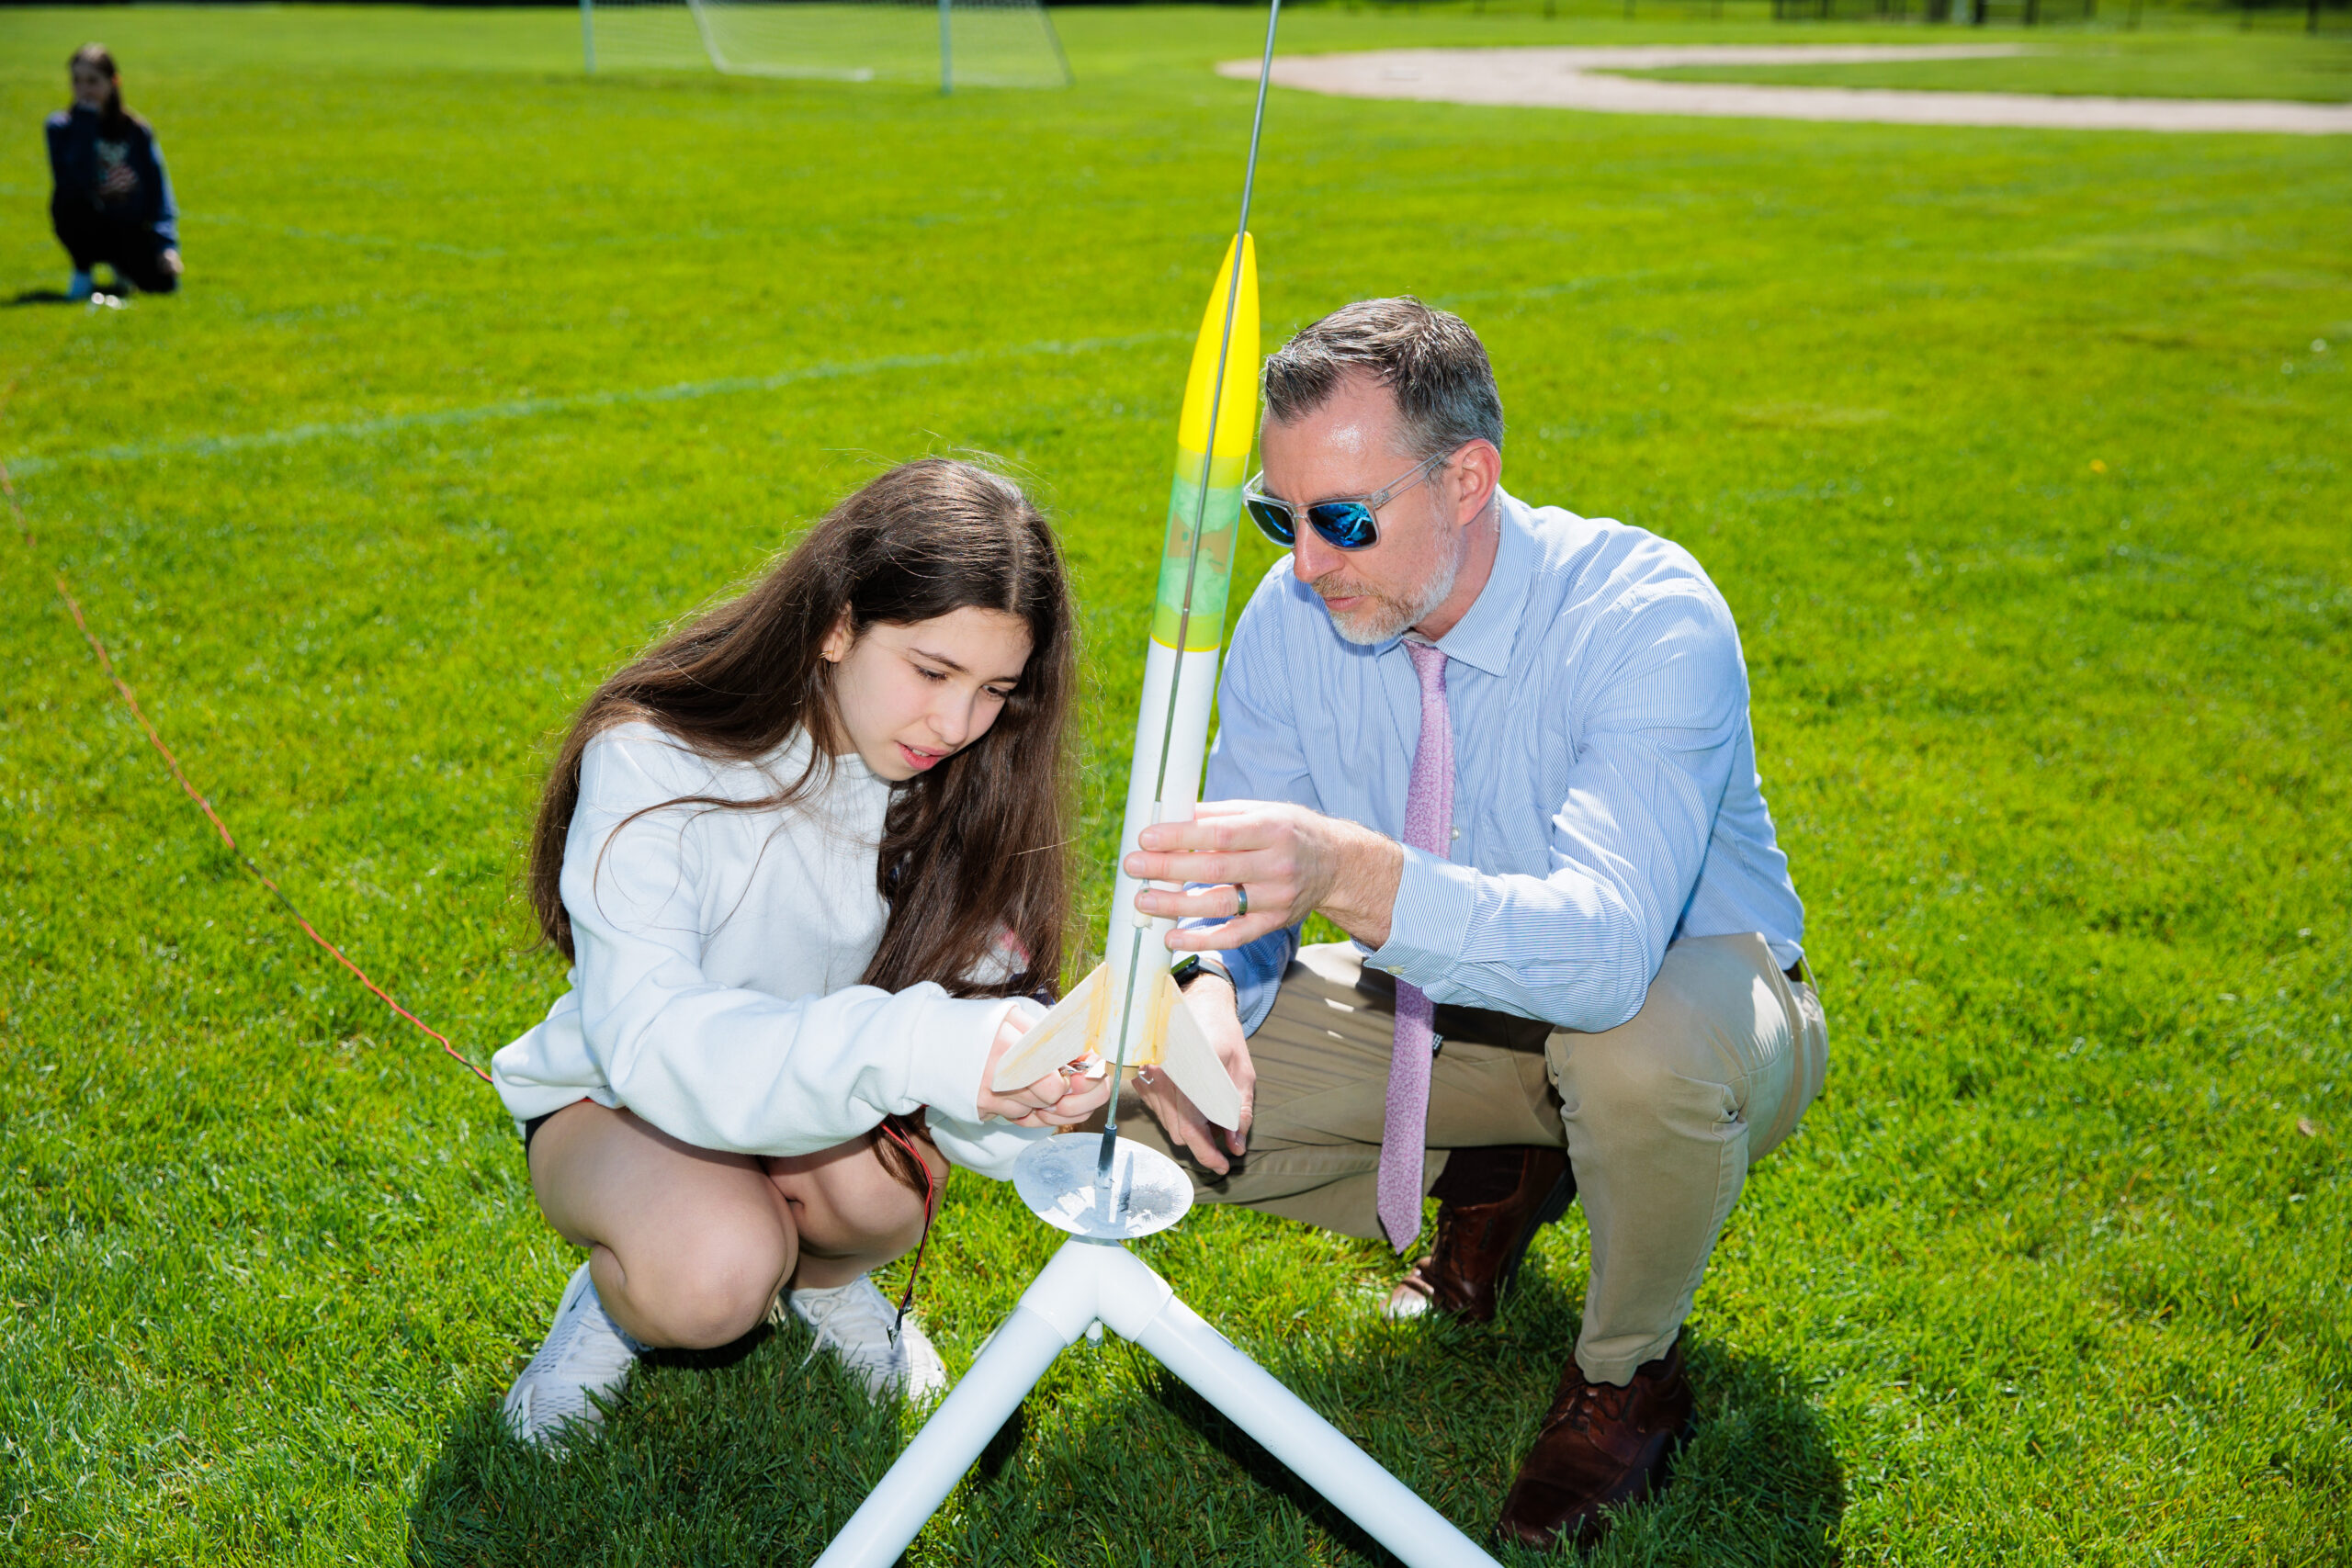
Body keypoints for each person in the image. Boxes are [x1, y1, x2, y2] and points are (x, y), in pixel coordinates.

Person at [1117, 299, 1827, 1550]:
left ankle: (1625, 1371)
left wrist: (1344, 866)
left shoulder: (1645, 611)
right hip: (1441, 1014)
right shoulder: (1291, 625)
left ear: (1467, 478)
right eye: (1278, 518)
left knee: (1627, 1051)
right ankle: (1500, 1169)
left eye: (1343, 520)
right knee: (1137, 1086)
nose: (1303, 565)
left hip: (1693, 1005)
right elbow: (1233, 894)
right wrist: (1206, 988)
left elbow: (1608, 954)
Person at [489, 458, 1112, 1448]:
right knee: (713, 1271)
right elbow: (655, 1045)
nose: (956, 725)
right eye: (931, 670)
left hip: (807, 1108)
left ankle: (825, 1283)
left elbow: (971, 1062)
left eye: (994, 688)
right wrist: (923, 1047)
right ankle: (614, 1297)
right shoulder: (653, 758)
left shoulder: (957, 785)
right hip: (619, 1099)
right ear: (836, 622)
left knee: (881, 1197)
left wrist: (1026, 1090)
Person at [47, 45, 182, 302]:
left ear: (114, 82)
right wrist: (86, 123)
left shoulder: (136, 130)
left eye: (93, 81)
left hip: (128, 226)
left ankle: (122, 265)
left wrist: (167, 246)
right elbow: (75, 182)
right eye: (76, 81)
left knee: (164, 285)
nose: (84, 89)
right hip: (87, 225)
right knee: (68, 199)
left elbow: (159, 188)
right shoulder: (60, 127)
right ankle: (83, 270)